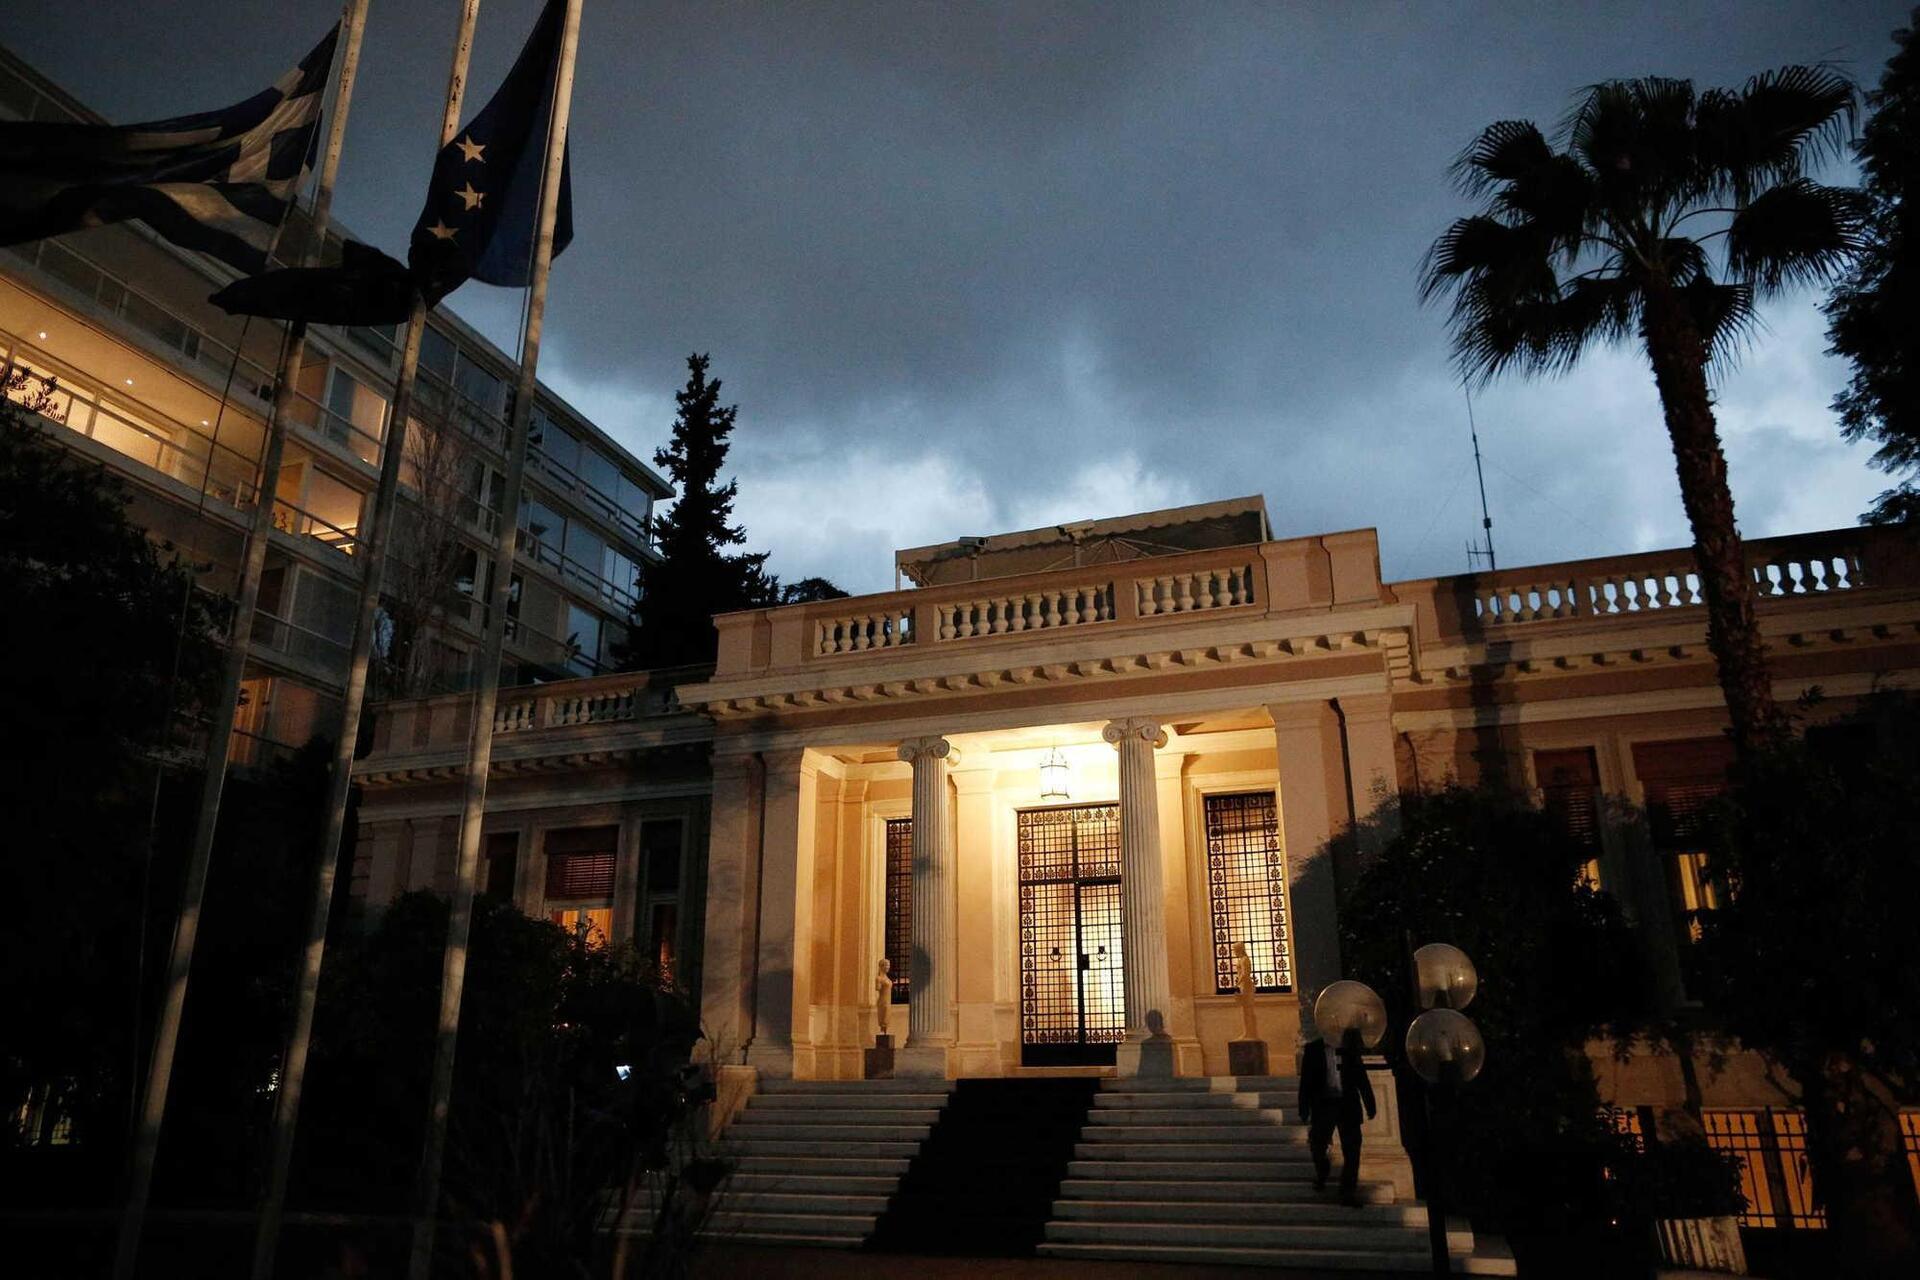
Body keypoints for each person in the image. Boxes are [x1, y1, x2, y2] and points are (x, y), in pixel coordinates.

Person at [1297, 1026, 1376, 1204]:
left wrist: (1369, 1102)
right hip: (1324, 1105)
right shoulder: (1313, 1049)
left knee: (1352, 1150)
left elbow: (1360, 1076)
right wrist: (1304, 1107)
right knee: (1317, 1145)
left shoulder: (1348, 1048)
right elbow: (1306, 1081)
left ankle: (1347, 1192)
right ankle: (1323, 1170)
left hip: (1347, 1105)